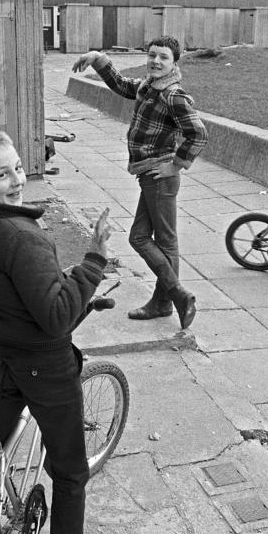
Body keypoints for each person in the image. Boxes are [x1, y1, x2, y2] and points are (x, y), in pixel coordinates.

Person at [0, 127, 112, 534]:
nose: (18, 179)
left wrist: (27, 291)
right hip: (47, 365)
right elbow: (58, 317)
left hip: (3, 357)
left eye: (18, 166)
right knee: (69, 467)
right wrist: (93, 262)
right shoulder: (22, 235)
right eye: (3, 174)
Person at [72, 37, 208, 329]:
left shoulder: (173, 95)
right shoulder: (149, 86)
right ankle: (168, 301)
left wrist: (176, 165)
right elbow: (121, 84)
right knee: (150, 238)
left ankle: (171, 298)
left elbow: (199, 133)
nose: (155, 61)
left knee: (152, 239)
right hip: (148, 173)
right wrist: (98, 57)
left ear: (175, 63)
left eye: (164, 58)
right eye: (152, 55)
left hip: (160, 176)